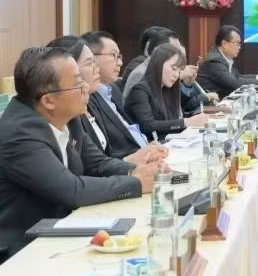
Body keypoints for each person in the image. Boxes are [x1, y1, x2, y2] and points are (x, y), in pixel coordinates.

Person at [0, 47, 158, 256]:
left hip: (63, 231)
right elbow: (71, 190)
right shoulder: (18, 134)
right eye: (77, 83)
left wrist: (139, 170)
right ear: (49, 100)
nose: (87, 87)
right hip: (24, 248)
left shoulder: (69, 117)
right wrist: (136, 183)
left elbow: (97, 163)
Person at [81, 31, 168, 162]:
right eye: (114, 55)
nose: (120, 62)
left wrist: (149, 146)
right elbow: (105, 154)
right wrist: (137, 156)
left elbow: (129, 129)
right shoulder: (87, 99)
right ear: (93, 58)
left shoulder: (113, 89)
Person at [125, 44, 209, 140]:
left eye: (179, 71)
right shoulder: (139, 91)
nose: (176, 75)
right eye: (173, 69)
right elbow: (148, 126)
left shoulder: (167, 89)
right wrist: (186, 122)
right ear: (158, 65)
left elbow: (172, 120)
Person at [197, 25, 258, 98]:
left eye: (239, 44)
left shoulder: (225, 58)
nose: (239, 47)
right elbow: (235, 83)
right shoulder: (215, 61)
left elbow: (238, 77)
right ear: (224, 43)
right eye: (236, 43)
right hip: (209, 106)